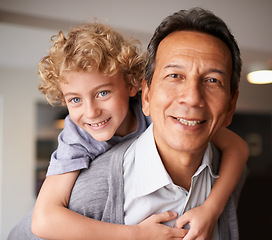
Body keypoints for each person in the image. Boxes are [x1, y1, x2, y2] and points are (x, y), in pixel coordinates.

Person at [8, 8, 248, 240]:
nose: (91, 112)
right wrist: (136, 234)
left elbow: (238, 148)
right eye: (75, 99)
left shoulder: (156, 113)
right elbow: (43, 220)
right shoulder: (76, 139)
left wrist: (211, 208)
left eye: (103, 93)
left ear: (135, 87)